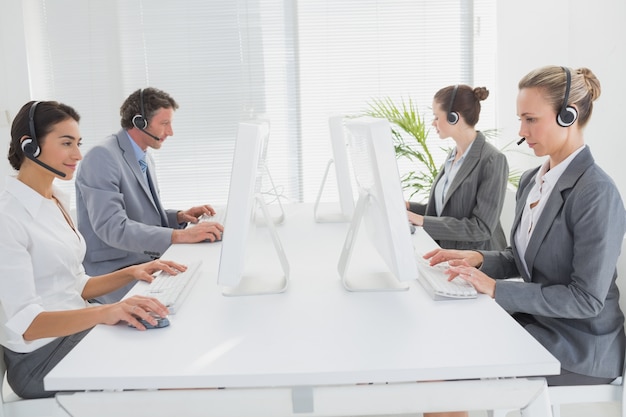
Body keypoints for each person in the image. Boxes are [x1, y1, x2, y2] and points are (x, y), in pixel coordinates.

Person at [423, 66, 626, 417]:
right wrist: (477, 259)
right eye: (520, 119)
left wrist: (497, 289)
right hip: (538, 323)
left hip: (580, 346)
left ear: (568, 116)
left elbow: (587, 299)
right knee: (444, 346)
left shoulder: (596, 193)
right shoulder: (534, 179)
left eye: (531, 119)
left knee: (450, 376)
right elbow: (521, 257)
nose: (521, 131)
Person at [0, 100, 188, 399]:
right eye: (66, 143)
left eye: (78, 143)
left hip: (71, 332)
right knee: (158, 362)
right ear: (29, 146)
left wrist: (133, 272)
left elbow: (75, 284)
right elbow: (28, 325)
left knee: (165, 337)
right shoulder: (8, 217)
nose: (77, 155)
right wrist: (106, 312)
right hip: (39, 360)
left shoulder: (55, 199)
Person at [75, 87, 223, 303]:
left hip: (142, 260)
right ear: (139, 123)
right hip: (115, 271)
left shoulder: (142, 155)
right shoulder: (103, 156)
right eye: (164, 124)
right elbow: (112, 227)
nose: (170, 132)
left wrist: (179, 217)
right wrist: (180, 236)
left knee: (203, 284)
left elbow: (139, 214)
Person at [406, 84, 509, 251]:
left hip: (478, 263)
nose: (433, 123)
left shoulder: (492, 159)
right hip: (447, 255)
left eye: (436, 117)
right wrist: (408, 207)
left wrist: (421, 220)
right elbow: (446, 212)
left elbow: (481, 228)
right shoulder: (453, 156)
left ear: (454, 117)